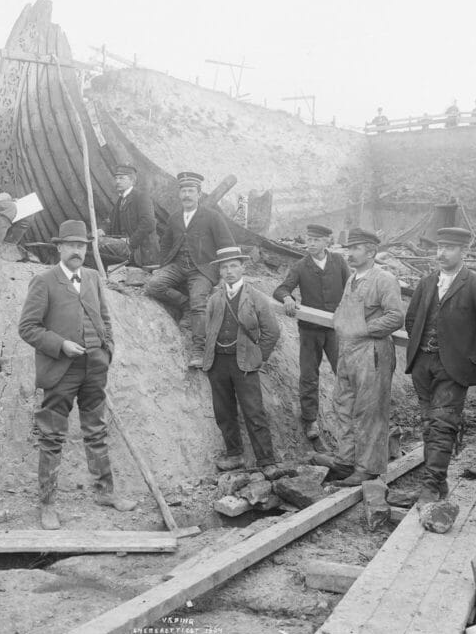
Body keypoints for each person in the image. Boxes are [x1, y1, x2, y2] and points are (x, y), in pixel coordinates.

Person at [18, 220, 136, 530]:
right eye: (71, 245)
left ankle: (105, 492)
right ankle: (47, 504)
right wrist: (60, 345)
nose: (77, 251)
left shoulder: (94, 278)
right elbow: (27, 328)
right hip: (60, 371)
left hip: (95, 368)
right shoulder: (44, 282)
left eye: (82, 246)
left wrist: (106, 351)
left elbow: (105, 319)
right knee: (52, 436)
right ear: (59, 247)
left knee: (96, 430)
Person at [404, 227, 476, 504]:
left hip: (453, 369)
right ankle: (438, 483)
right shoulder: (427, 283)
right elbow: (411, 321)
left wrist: (470, 360)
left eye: (449, 248)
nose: (441, 253)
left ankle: (428, 488)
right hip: (422, 364)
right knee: (429, 424)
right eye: (439, 247)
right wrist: (421, 349)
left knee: (442, 425)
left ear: (465, 252)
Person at [313, 229, 404, 486]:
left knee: (369, 411)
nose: (350, 254)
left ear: (371, 252)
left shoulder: (384, 279)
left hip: (371, 353)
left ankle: (367, 468)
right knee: (344, 406)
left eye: (355, 249)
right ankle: (346, 461)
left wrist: (363, 330)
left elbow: (396, 317)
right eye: (349, 249)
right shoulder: (352, 279)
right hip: (348, 352)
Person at [202, 247, 281, 477]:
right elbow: (209, 328)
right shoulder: (215, 298)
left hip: (245, 364)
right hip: (218, 363)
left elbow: (271, 332)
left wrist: (258, 358)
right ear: (219, 270)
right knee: (223, 412)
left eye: (233, 266)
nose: (229, 271)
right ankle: (234, 454)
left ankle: (266, 460)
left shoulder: (255, 297)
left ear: (243, 267)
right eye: (224, 267)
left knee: (254, 411)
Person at [145, 171, 235, 368]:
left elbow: (227, 244)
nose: (186, 195)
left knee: (199, 304)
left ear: (199, 194)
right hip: (177, 265)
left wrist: (223, 274)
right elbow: (166, 244)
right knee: (153, 286)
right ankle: (183, 304)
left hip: (201, 269)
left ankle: (199, 351)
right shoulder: (175, 218)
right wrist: (162, 267)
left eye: (191, 191)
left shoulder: (212, 217)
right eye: (183, 191)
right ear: (179, 194)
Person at [272, 224, 351, 441]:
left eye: (316, 240)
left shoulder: (339, 262)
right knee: (309, 376)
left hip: (336, 330)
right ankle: (310, 420)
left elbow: (352, 288)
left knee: (344, 373)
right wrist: (287, 298)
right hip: (310, 331)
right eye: (309, 239)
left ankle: (351, 417)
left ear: (327, 241)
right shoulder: (301, 266)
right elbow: (280, 289)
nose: (311, 244)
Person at [96, 164, 159, 267]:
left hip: (140, 250)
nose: (117, 181)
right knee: (94, 240)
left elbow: (149, 223)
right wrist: (101, 230)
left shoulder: (141, 197)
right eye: (116, 178)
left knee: (98, 244)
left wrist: (131, 241)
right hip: (126, 246)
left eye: (121, 178)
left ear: (132, 181)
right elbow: (110, 220)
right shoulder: (121, 200)